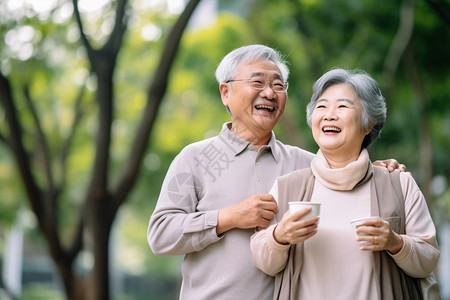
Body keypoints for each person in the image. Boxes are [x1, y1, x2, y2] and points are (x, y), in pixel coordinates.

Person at [147, 45, 405, 300]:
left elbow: (349, 176)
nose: (269, 93)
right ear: (226, 92)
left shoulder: (307, 164)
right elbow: (161, 235)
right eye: (257, 82)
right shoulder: (195, 158)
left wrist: (378, 171)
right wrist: (229, 217)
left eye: (279, 86)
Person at [250, 68, 440, 299]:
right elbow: (263, 263)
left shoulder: (399, 184)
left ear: (368, 123)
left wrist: (396, 243)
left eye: (342, 106)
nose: (329, 115)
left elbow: (428, 259)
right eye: (321, 107)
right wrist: (279, 236)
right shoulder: (287, 186)